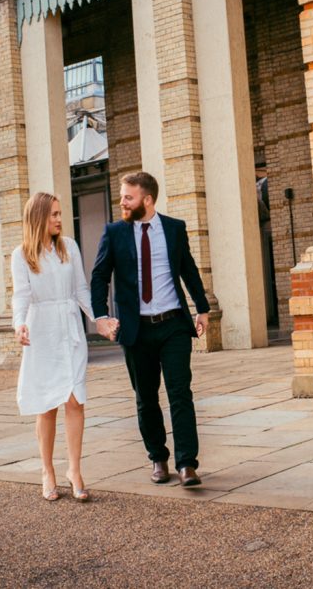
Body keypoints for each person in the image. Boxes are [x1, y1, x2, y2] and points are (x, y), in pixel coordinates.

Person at [90, 172, 210, 487]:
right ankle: (158, 457)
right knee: (146, 398)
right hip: (136, 331)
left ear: (147, 199)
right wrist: (101, 315)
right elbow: (100, 275)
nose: (122, 202)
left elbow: (188, 270)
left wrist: (203, 308)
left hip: (173, 325)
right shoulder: (115, 233)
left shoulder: (174, 229)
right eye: (122, 196)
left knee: (180, 394)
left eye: (128, 197)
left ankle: (187, 464)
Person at [11, 191, 95, 502]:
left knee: (75, 401)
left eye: (60, 214)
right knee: (47, 405)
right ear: (39, 218)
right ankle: (47, 470)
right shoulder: (21, 255)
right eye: (54, 215)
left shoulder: (69, 247)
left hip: (70, 329)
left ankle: (74, 469)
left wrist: (98, 320)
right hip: (42, 331)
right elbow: (21, 295)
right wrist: (19, 323)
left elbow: (81, 289)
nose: (60, 219)